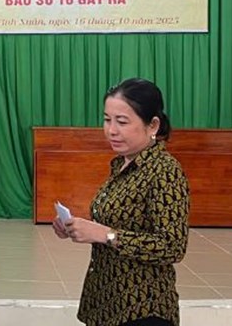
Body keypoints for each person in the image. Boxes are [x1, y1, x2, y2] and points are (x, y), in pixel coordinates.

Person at [53, 78, 189, 326]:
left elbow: (172, 245)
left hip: (142, 307)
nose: (111, 130)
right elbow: (117, 224)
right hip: (107, 302)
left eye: (122, 122)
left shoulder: (164, 170)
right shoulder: (122, 164)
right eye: (107, 120)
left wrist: (107, 235)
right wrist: (77, 228)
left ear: (153, 125)